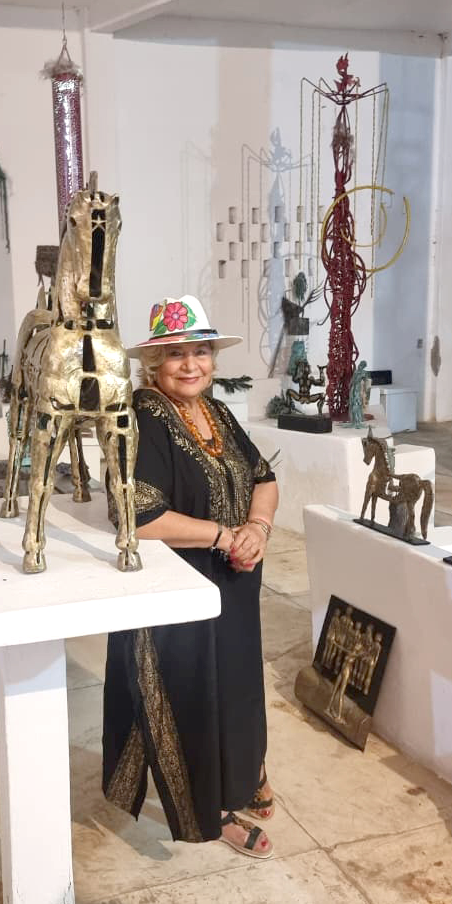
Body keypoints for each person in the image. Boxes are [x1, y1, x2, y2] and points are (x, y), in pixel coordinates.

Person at [102, 294, 280, 859]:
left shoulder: (216, 413)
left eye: (199, 352)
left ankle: (243, 773)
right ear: (154, 364)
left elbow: (263, 477)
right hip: (179, 587)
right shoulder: (144, 416)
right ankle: (212, 809)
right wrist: (226, 536)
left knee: (237, 684)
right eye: (176, 354)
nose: (190, 364)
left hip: (234, 579)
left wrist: (257, 528)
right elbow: (140, 516)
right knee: (192, 696)